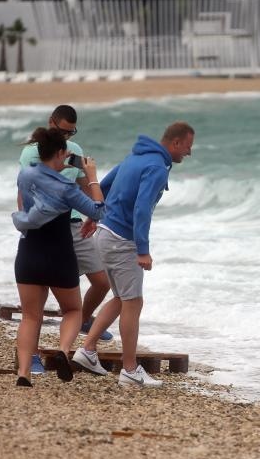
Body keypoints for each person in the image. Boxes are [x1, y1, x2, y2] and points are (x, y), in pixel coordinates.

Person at [71, 121, 195, 387]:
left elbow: (104, 184)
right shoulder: (156, 168)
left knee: (121, 298)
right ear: (175, 143)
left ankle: (88, 350)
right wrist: (143, 250)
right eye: (187, 146)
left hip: (105, 233)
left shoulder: (135, 158)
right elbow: (141, 209)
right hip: (121, 239)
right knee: (133, 302)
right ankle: (130, 370)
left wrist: (95, 217)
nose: (189, 152)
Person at [17, 105, 113, 376]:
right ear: (51, 124)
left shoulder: (75, 151)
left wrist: (91, 216)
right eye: (62, 132)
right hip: (45, 229)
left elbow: (83, 189)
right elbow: (25, 195)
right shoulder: (31, 155)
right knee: (37, 302)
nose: (67, 138)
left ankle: (79, 323)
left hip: (72, 225)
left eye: (71, 133)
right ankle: (35, 357)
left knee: (101, 280)